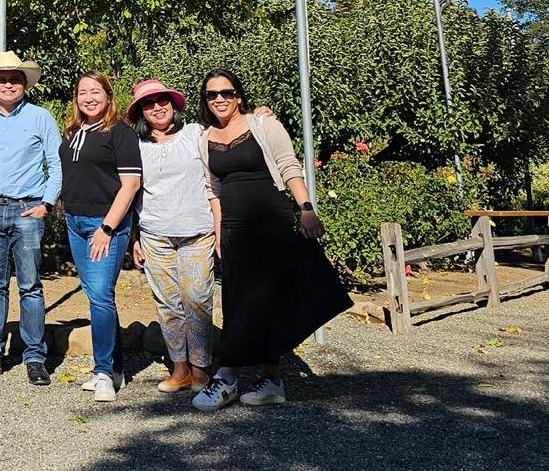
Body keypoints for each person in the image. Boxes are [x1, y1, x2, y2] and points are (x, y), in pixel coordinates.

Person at [191, 69, 352, 411]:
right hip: (234, 228)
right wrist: (220, 233)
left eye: (227, 92)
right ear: (205, 101)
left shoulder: (264, 125)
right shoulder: (204, 138)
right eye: (211, 95)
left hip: (271, 221)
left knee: (267, 299)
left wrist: (306, 208)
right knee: (237, 300)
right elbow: (213, 190)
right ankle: (261, 380)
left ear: (239, 96)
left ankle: (234, 375)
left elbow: (289, 166)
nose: (220, 99)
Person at [0, 51, 63, 385]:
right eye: (2, 79)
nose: (8, 84)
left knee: (31, 286)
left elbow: (56, 162)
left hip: (28, 210)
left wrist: (46, 202)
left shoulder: (40, 118)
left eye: (15, 79)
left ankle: (34, 356)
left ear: (24, 84)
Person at [129, 78, 218, 395]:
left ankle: (201, 369)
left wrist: (258, 115)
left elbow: (229, 128)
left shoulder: (195, 134)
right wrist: (134, 238)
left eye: (162, 100)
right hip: (155, 235)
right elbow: (132, 194)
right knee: (167, 304)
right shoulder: (136, 147)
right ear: (142, 112)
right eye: (149, 104)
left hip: (196, 232)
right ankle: (179, 369)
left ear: (173, 104)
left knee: (197, 299)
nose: (157, 107)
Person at [60, 73, 143, 403]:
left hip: (104, 224)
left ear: (109, 97)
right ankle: (116, 367)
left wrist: (107, 228)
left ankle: (103, 372)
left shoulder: (120, 133)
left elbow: (131, 185)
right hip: (74, 222)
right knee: (100, 296)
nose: (88, 97)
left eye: (96, 91)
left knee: (99, 296)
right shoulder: (73, 132)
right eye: (82, 92)